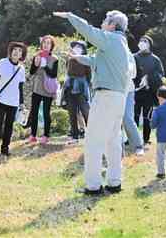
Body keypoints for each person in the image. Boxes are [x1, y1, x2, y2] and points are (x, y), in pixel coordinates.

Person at [54, 10, 133, 195]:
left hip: (105, 96)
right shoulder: (121, 43)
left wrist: (71, 16)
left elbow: (88, 31)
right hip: (118, 97)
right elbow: (95, 60)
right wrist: (76, 57)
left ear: (113, 25)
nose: (102, 23)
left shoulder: (110, 38)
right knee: (112, 141)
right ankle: (114, 182)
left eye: (106, 20)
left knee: (93, 141)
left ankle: (93, 186)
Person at [0, 42, 27, 159]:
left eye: (20, 51)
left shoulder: (21, 68)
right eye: (15, 50)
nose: (17, 52)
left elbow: (20, 87)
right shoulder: (2, 62)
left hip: (14, 102)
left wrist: (21, 103)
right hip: (1, 100)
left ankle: (5, 149)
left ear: (22, 55)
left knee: (9, 127)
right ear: (10, 51)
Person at [27, 35, 59, 144]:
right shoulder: (37, 56)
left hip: (48, 89)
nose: (46, 45)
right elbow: (31, 72)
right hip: (37, 87)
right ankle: (33, 135)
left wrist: (45, 66)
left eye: (48, 43)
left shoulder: (54, 59)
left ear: (51, 46)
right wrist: (36, 64)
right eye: (44, 43)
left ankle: (46, 135)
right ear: (41, 44)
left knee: (46, 112)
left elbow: (54, 74)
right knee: (34, 112)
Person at [133, 35, 165, 145]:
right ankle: (133, 138)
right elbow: (129, 72)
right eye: (141, 40)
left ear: (149, 44)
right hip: (135, 91)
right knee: (134, 115)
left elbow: (160, 74)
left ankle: (146, 138)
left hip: (149, 92)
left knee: (147, 116)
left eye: (145, 41)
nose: (142, 42)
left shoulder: (155, 59)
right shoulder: (134, 57)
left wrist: (149, 78)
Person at [64, 40, 92, 144]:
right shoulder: (69, 59)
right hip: (70, 85)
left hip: (81, 86)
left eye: (79, 47)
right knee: (72, 111)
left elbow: (89, 76)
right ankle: (74, 135)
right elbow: (67, 71)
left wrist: (87, 86)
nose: (76, 48)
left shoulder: (86, 60)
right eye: (75, 46)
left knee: (85, 110)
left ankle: (92, 134)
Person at [123, 55, 145, 155]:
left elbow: (132, 73)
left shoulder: (128, 55)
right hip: (110, 90)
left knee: (127, 118)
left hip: (127, 90)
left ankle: (138, 145)